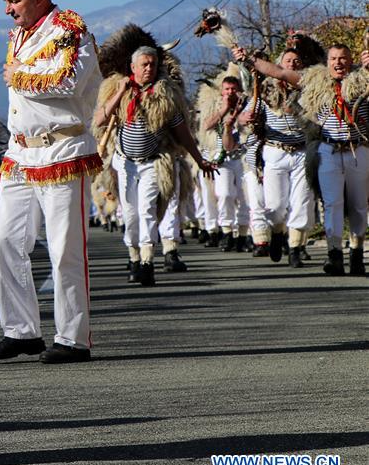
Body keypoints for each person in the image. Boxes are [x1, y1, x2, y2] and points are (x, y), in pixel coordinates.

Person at [0, 0, 102, 363]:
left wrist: (19, 78)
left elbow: (69, 80)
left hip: (63, 149)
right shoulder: (21, 35)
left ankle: (73, 337)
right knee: (5, 241)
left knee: (65, 247)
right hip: (21, 153)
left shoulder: (70, 29)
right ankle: (21, 330)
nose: (7, 7)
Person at [94, 43, 213, 286]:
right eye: (144, 64)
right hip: (124, 163)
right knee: (130, 212)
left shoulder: (166, 95)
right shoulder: (117, 90)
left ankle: (148, 262)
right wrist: (120, 92)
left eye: (153, 64)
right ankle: (134, 258)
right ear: (133, 67)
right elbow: (99, 119)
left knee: (147, 209)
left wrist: (199, 160)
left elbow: (183, 133)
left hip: (152, 163)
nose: (149, 68)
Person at [279, 44, 369, 275]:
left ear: (351, 61)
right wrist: (247, 59)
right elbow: (279, 73)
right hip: (328, 151)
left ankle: (356, 254)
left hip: (358, 150)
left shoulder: (363, 82)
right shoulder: (315, 85)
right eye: (333, 59)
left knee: (359, 206)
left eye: (342, 58)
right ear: (326, 62)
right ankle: (334, 255)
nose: (338, 63)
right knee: (332, 204)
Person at [231, 45, 316, 266]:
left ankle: (296, 247)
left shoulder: (308, 89)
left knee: (301, 201)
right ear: (279, 64)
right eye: (288, 61)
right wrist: (246, 118)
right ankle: (278, 231)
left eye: (297, 61)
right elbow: (242, 117)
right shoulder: (265, 89)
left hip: (301, 151)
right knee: (275, 205)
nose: (292, 64)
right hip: (274, 150)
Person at [200, 75, 251, 252]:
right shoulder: (214, 106)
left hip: (243, 157)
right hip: (222, 159)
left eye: (233, 89)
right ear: (222, 91)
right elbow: (206, 125)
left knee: (245, 197)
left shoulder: (246, 104)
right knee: (225, 194)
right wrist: (224, 110)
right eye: (227, 89)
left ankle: (243, 235)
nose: (230, 92)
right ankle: (227, 231)